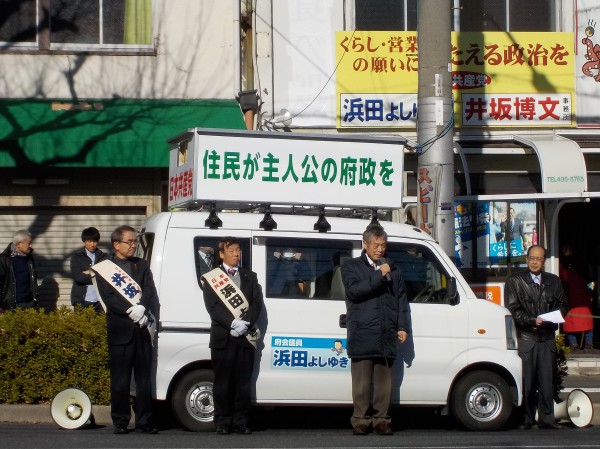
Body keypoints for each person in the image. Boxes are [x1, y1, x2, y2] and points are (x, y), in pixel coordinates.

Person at [341, 223, 411, 436]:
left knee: (384, 383)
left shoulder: (393, 268)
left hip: (386, 332)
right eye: (376, 245)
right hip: (363, 331)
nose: (380, 249)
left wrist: (402, 326)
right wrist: (379, 274)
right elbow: (355, 292)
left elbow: (401, 301)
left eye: (383, 245)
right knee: (361, 383)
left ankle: (381, 420)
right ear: (365, 245)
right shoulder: (351, 266)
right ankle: (360, 420)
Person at [93, 225, 159, 435]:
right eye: (129, 242)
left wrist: (142, 307)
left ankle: (144, 420)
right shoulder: (105, 267)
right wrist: (131, 311)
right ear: (116, 244)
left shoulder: (142, 265)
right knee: (120, 379)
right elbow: (109, 298)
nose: (133, 245)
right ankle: (120, 421)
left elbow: (149, 290)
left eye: (134, 242)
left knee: (143, 379)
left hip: (141, 330)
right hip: (120, 330)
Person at [202, 237, 263, 435]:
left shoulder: (250, 276)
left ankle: (241, 421)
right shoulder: (212, 277)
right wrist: (232, 323)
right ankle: (222, 421)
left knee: (243, 383)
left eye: (238, 250)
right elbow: (213, 306)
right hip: (223, 337)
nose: (236, 254)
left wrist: (246, 323)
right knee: (222, 382)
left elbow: (256, 303)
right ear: (221, 254)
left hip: (245, 337)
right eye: (232, 251)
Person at [505, 244, 568, 430]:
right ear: (526, 259)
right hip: (527, 337)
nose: (534, 262)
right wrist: (533, 320)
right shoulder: (515, 281)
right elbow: (513, 309)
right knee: (527, 382)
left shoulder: (553, 281)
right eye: (531, 258)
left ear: (544, 261)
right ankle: (526, 418)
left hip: (547, 338)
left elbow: (563, 305)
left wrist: (553, 317)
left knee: (547, 382)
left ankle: (547, 419)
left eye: (538, 259)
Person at [560, 245, 595, 352]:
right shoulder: (581, 269)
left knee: (574, 323)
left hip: (576, 298)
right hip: (579, 298)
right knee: (583, 322)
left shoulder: (571, 270)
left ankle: (578, 344)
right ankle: (584, 344)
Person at [70, 227, 108, 313]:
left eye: (94, 241)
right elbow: (78, 277)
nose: (92, 244)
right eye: (89, 241)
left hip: (100, 301)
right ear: (84, 241)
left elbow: (106, 278)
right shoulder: (77, 257)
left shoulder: (105, 257)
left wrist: (89, 272)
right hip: (82, 300)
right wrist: (98, 274)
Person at [0, 230, 39, 311]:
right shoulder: (5, 259)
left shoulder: (29, 259)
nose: (31, 246)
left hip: (30, 304)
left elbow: (33, 280)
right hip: (12, 305)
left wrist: (34, 300)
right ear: (18, 244)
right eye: (28, 243)